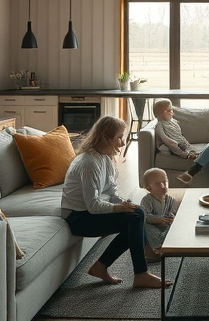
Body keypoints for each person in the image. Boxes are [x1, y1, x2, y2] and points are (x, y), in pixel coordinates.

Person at [60, 116, 170, 288]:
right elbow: (93, 206)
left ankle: (104, 267)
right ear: (105, 137)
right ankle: (139, 273)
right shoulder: (89, 163)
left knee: (136, 213)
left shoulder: (104, 158)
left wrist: (125, 204)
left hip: (88, 213)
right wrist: (119, 208)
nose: (122, 143)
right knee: (135, 217)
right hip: (78, 218)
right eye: (118, 137)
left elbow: (112, 192)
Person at [139, 167, 177, 263]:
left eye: (164, 182)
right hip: (152, 226)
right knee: (146, 227)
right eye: (158, 183)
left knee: (176, 226)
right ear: (149, 188)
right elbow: (147, 217)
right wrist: (160, 219)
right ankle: (154, 250)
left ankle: (166, 247)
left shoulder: (169, 199)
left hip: (164, 226)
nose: (163, 186)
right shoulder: (147, 200)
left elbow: (172, 212)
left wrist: (172, 217)